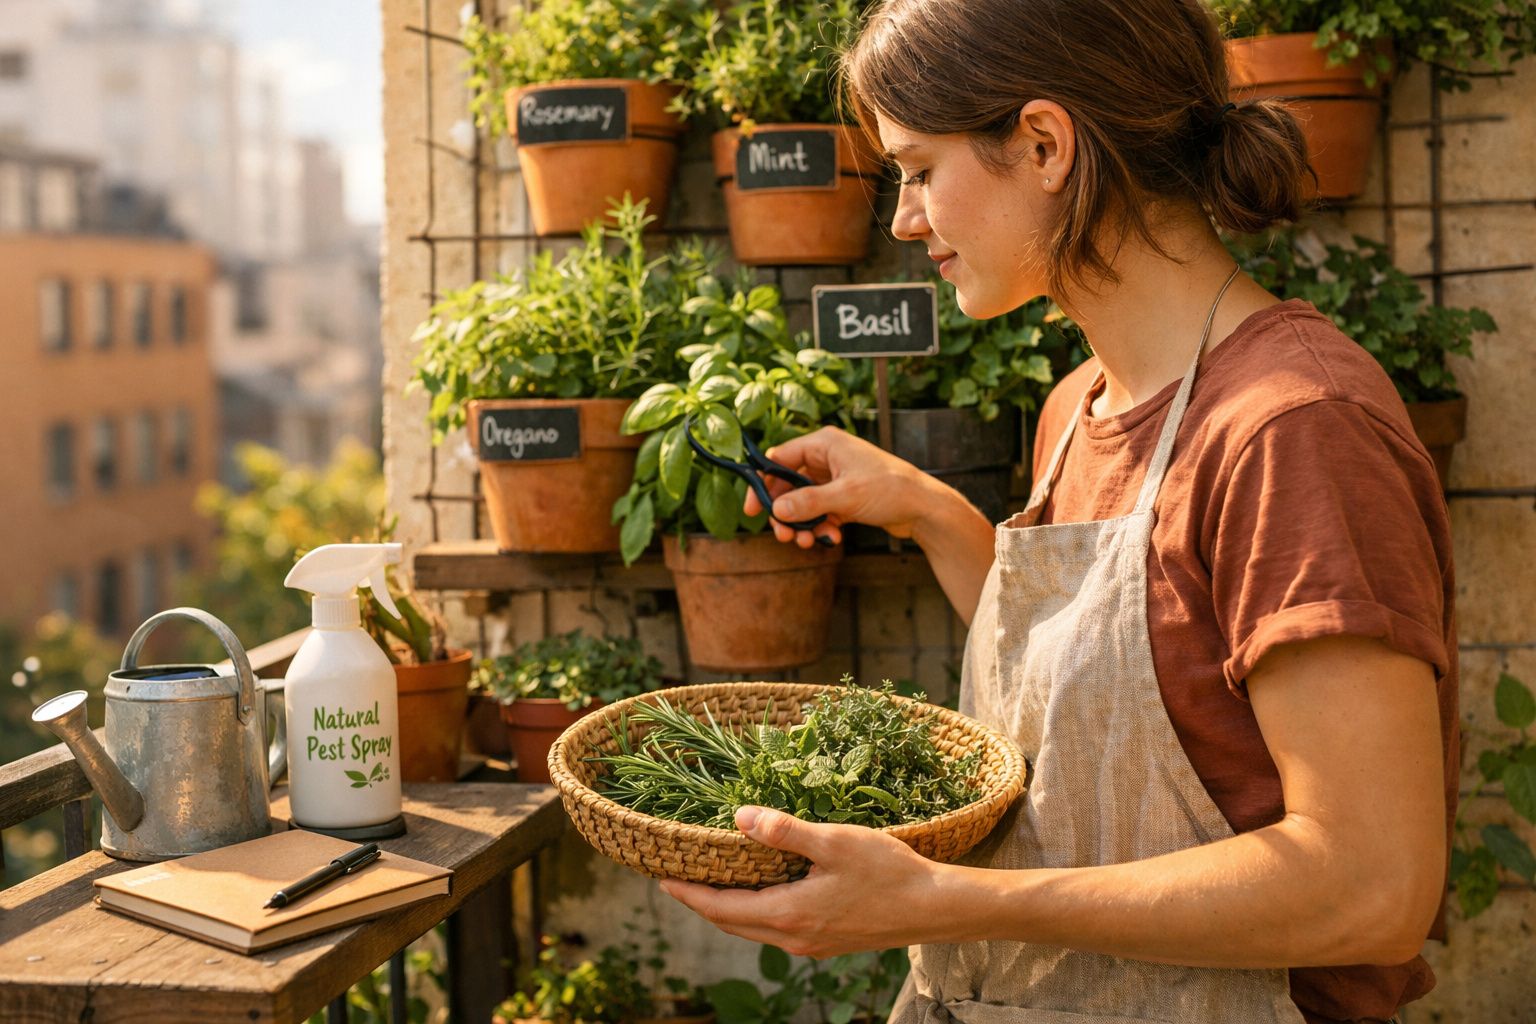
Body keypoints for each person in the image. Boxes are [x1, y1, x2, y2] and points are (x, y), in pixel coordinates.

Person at [657, 1, 1459, 1022]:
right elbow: (1115, 695)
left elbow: (1371, 888)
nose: (904, 219)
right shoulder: (1077, 408)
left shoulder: (1293, 430)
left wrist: (945, 901)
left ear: (1044, 144)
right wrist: (924, 509)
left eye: (917, 169)